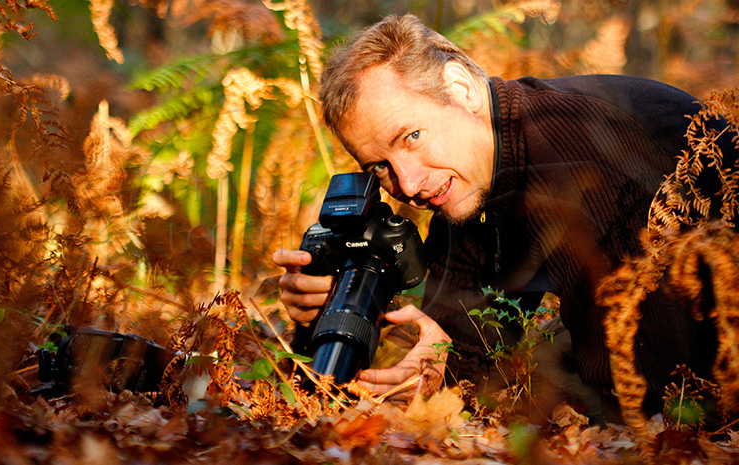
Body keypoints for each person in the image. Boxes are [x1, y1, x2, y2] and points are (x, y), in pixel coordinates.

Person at [272, 14, 735, 418]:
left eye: (411, 136)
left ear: (462, 90)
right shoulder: (464, 182)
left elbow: (650, 401)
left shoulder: (572, 159)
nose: (408, 185)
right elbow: (463, 347)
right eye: (380, 167)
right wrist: (321, 317)